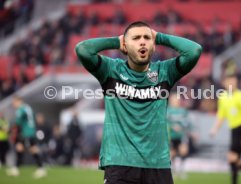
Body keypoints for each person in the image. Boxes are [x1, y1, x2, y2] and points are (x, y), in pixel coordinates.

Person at [76, 21, 202, 184]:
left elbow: (194, 51)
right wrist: (116, 41)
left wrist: (160, 37)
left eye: (147, 38)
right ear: (125, 46)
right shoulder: (110, 70)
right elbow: (83, 50)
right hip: (120, 164)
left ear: (153, 45)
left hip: (158, 165)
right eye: (135, 38)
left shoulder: (164, 72)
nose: (142, 41)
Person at [7, 95, 46, 178]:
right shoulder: (28, 108)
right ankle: (16, 168)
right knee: (19, 147)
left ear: (19, 101)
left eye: (14, 102)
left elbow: (17, 123)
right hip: (30, 131)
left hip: (26, 132)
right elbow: (34, 119)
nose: (13, 104)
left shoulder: (20, 109)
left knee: (32, 149)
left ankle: (41, 168)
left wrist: (9, 129)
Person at [167, 93, 195, 179]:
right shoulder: (168, 111)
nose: (175, 101)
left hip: (182, 135)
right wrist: (172, 126)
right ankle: (174, 170)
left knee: (183, 151)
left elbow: (188, 123)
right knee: (172, 154)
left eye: (177, 100)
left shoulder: (183, 111)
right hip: (171, 136)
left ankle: (182, 170)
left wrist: (192, 131)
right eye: (174, 99)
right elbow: (165, 122)